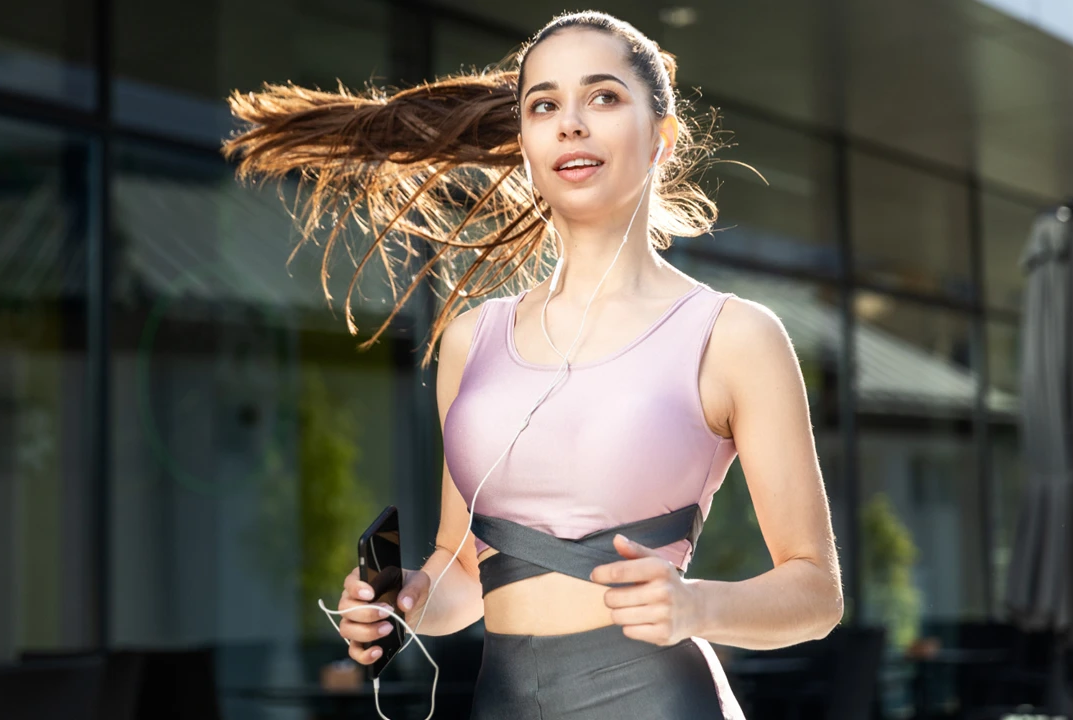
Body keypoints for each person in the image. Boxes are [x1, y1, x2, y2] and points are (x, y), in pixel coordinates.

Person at [224, 10, 843, 719]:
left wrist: (696, 604)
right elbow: (461, 572)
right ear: (525, 144)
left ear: (662, 140)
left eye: (603, 97)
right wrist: (406, 605)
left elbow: (816, 594)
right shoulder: (471, 340)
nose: (570, 124)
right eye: (544, 105)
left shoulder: (734, 336)